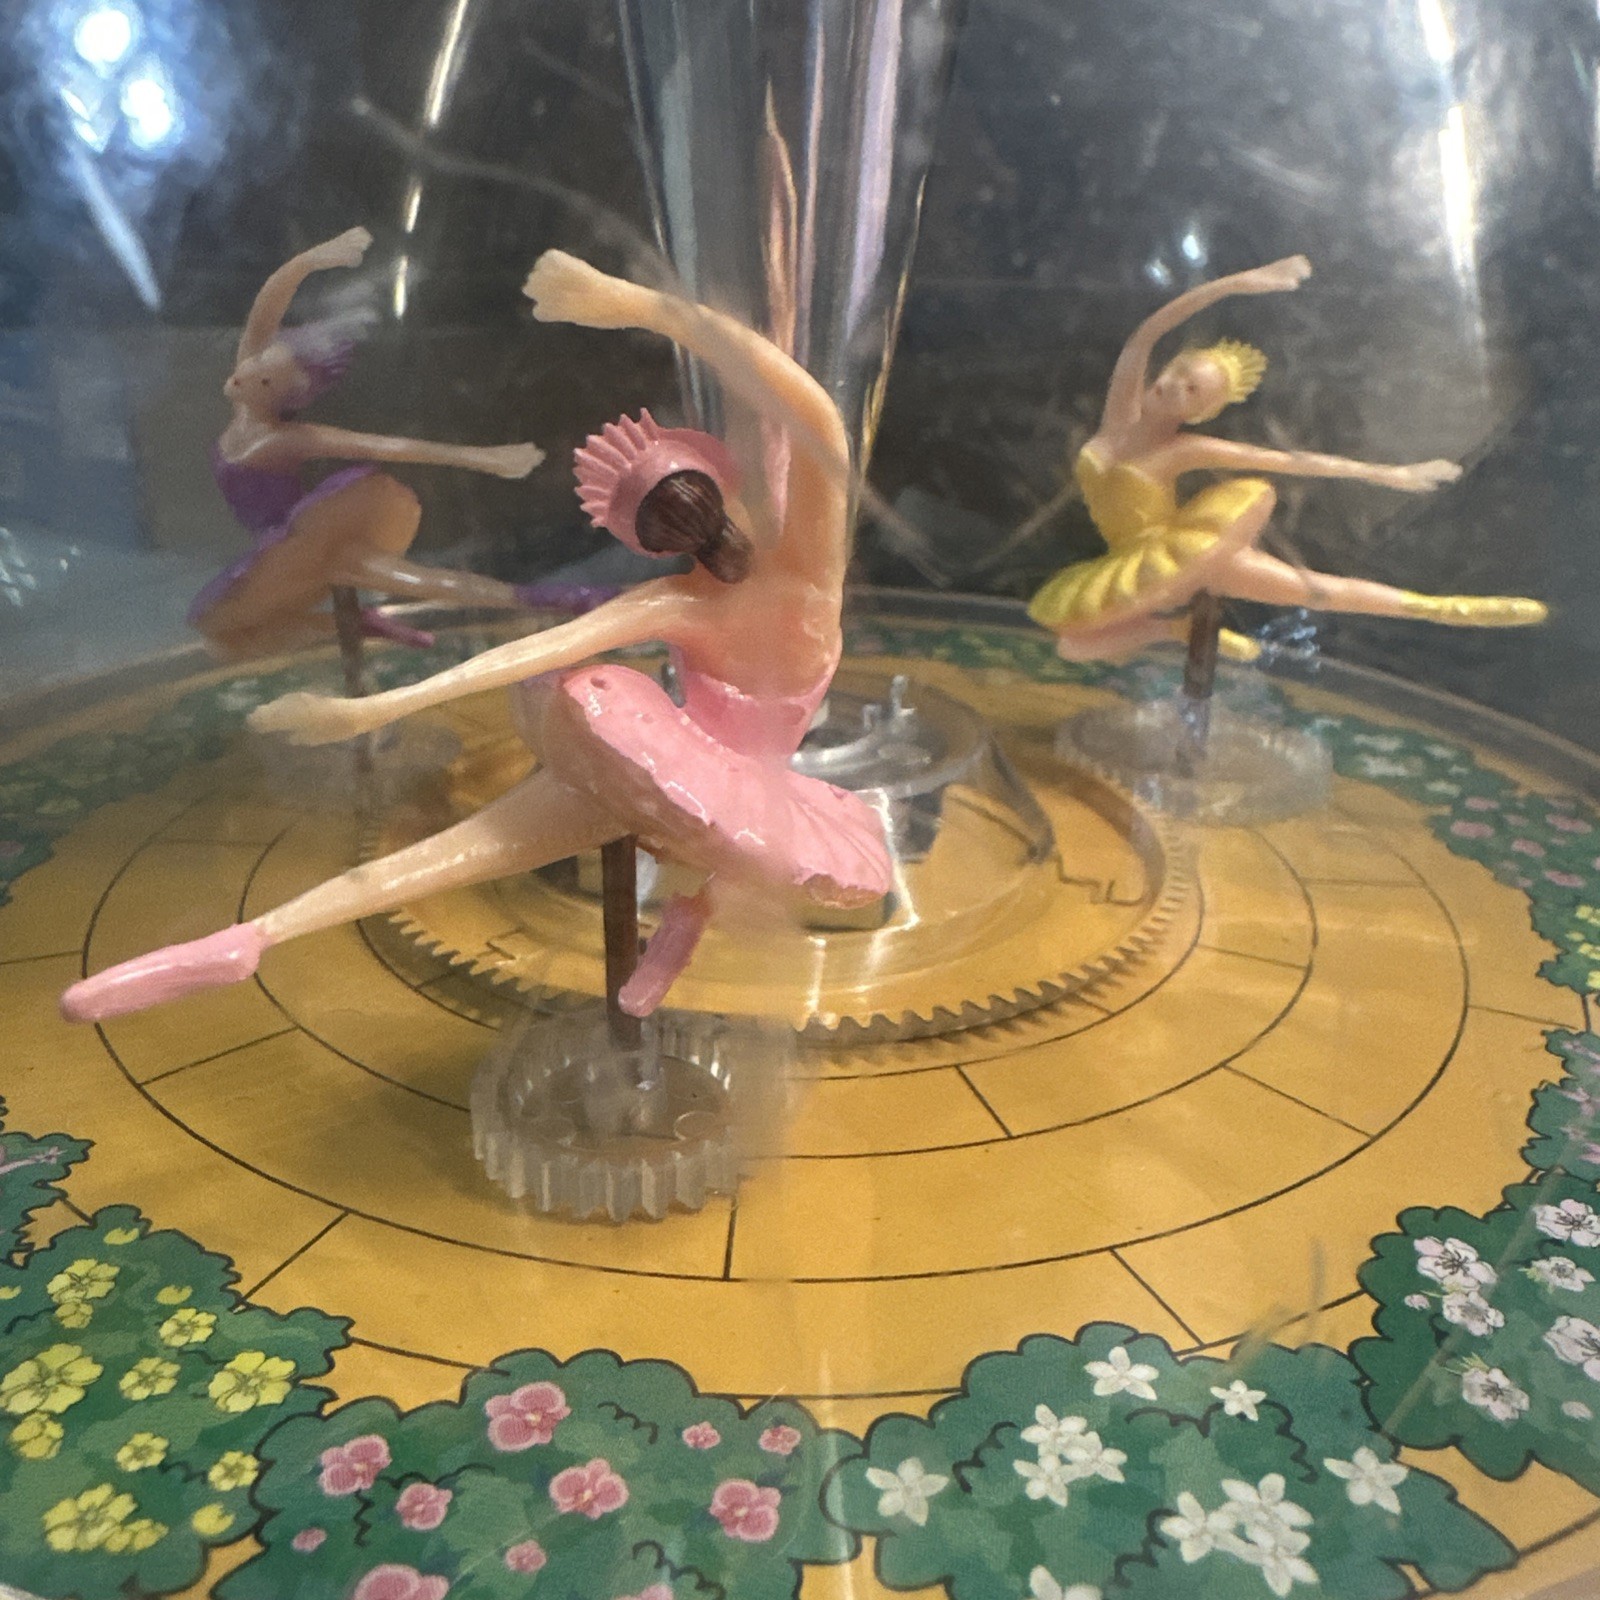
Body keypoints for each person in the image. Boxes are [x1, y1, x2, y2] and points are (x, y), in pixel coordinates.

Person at [60, 250, 892, 1026]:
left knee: (463, 852)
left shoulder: (677, 599)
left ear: (643, 537)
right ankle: (688, 914)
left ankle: (258, 934)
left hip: (665, 760)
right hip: (713, 773)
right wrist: (641, 306)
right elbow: (816, 414)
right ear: (718, 481)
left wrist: (375, 708)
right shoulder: (803, 572)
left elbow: (525, 657)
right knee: (708, 845)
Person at [1027, 254, 1545, 663]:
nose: (1174, 387)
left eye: (1193, 391)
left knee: (1313, 590)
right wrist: (1236, 284)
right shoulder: (1119, 417)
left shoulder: (1186, 449)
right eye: (1180, 373)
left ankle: (1440, 608)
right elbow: (1147, 333)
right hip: (1130, 562)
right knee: (1073, 644)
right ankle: (1172, 629)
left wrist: (1392, 474)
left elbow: (1288, 461)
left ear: (1201, 413)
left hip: (1186, 548)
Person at [193, 225, 544, 660]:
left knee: (407, 578)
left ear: (287, 397)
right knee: (226, 639)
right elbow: (266, 308)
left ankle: (546, 599)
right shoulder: (246, 391)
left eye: (263, 380)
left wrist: (487, 459)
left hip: (309, 534)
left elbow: (386, 447)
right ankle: (360, 624)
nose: (244, 374)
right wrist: (311, 261)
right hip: (272, 551)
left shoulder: (284, 440)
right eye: (255, 362)